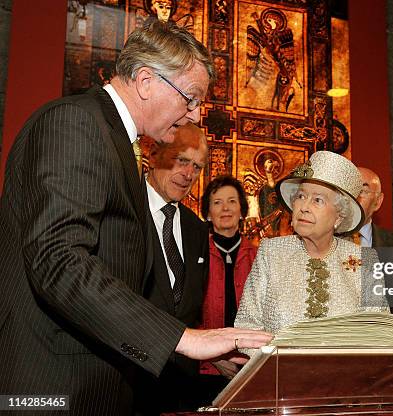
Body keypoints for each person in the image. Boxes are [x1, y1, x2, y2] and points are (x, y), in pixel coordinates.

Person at [0, 20, 271, 415]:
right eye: (191, 98)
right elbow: (58, 260)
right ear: (146, 81)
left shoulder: (116, 139)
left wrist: (195, 351)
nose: (195, 115)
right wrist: (185, 339)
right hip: (52, 383)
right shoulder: (77, 123)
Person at [235, 151, 389, 344]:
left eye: (318, 200)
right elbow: (247, 326)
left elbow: (378, 334)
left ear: (339, 216)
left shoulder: (364, 261)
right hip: (278, 372)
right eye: (301, 196)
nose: (304, 207)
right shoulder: (271, 252)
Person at [134, 123, 209, 414]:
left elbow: (190, 307)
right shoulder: (125, 208)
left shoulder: (197, 229)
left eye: (198, 167)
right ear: (153, 155)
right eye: (182, 160)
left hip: (181, 388)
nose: (189, 175)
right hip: (129, 377)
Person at [199, 175, 258, 401]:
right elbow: (186, 312)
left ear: (242, 210)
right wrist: (213, 358)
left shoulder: (258, 256)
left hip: (250, 367)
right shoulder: (195, 254)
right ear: (207, 213)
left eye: (232, 201)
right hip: (204, 369)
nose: (225, 208)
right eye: (217, 202)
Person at [355, 167, 393, 248]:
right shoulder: (332, 239)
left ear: (378, 202)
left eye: (362, 191)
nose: (354, 196)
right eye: (349, 190)